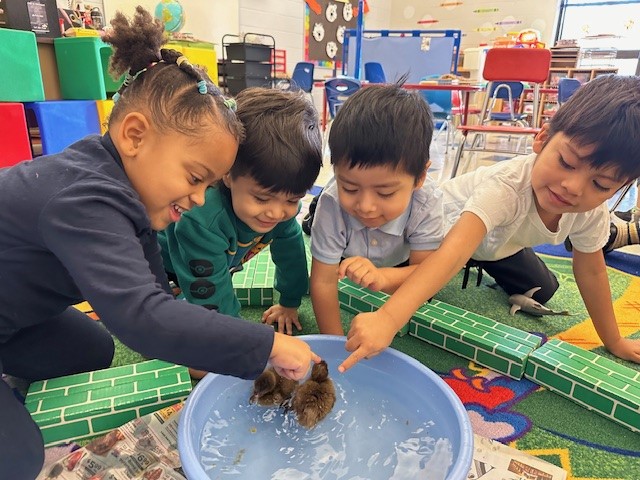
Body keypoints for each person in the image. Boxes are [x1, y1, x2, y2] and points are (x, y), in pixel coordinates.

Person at [0, 7, 319, 478]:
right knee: (16, 458)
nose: (196, 198)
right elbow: (140, 317)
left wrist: (202, 350)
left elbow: (155, 293)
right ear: (135, 135)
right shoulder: (86, 197)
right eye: (194, 178)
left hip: (15, 316)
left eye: (208, 185)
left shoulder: (125, 191)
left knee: (90, 349)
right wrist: (266, 344)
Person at [336, 74, 640, 373]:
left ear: (620, 187)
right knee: (422, 287)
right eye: (567, 163)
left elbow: (591, 269)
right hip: (439, 233)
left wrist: (614, 340)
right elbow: (451, 254)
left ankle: (471, 265)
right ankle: (388, 272)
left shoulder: (591, 209)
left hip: (496, 244)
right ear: (542, 139)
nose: (573, 187)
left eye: (600, 184)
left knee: (543, 290)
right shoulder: (505, 188)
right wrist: (388, 318)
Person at [158, 87, 322, 376]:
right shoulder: (202, 219)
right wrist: (238, 346)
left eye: (292, 199)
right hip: (163, 267)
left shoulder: (281, 208)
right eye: (261, 198)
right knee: (187, 341)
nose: (276, 212)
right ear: (228, 174)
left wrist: (290, 301)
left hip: (214, 261)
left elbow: (292, 253)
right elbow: (211, 288)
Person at [309, 83, 444, 335]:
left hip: (401, 260)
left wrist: (383, 278)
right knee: (323, 224)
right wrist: (335, 342)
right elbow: (322, 280)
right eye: (349, 187)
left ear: (420, 176)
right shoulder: (332, 202)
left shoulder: (427, 203)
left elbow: (427, 277)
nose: (366, 207)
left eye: (385, 193)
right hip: (346, 257)